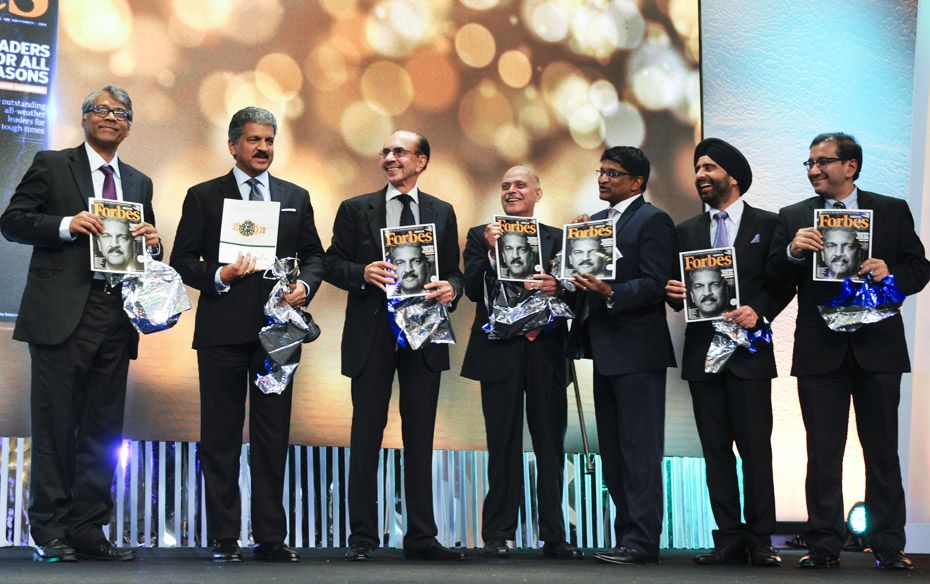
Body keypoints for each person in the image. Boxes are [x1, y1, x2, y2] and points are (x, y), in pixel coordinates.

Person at [0, 85, 160, 562]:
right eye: (102, 110)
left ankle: (89, 529)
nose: (112, 118)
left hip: (115, 317)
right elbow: (13, 221)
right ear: (85, 118)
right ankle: (49, 532)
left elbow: (145, 255)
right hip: (61, 314)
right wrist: (68, 224)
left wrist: (153, 243)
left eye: (122, 113)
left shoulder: (139, 182)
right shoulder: (53, 164)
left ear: (129, 125)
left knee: (103, 431)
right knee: (55, 427)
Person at [170, 107, 324, 563]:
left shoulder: (296, 195)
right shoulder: (203, 196)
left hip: (278, 335)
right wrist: (220, 274)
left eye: (269, 140)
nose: (263, 148)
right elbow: (182, 259)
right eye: (254, 140)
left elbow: (315, 257)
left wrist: (305, 286)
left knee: (273, 437)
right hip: (221, 333)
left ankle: (271, 537)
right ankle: (224, 537)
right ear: (233, 145)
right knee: (219, 437)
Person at [769, 132, 929, 570]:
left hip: (878, 349)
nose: (813, 170)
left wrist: (889, 273)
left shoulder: (891, 210)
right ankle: (823, 543)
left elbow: (920, 268)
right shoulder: (794, 217)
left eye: (822, 162)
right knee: (822, 451)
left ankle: (888, 543)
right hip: (821, 351)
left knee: (882, 452)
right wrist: (791, 251)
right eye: (809, 163)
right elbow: (776, 281)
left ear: (851, 166)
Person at [324, 130, 465, 561]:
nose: (389, 157)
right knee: (366, 434)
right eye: (384, 151)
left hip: (424, 335)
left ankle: (421, 536)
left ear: (421, 161)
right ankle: (362, 537)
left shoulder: (442, 211)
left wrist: (451, 290)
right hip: (372, 334)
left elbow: (455, 274)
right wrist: (360, 273)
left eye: (399, 152)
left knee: (421, 436)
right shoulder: (355, 208)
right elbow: (330, 262)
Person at [665, 137, 789, 568]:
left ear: (732, 177)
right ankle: (728, 538)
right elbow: (677, 292)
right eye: (697, 168)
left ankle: (761, 539)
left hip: (749, 355)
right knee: (715, 451)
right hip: (703, 356)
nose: (701, 175)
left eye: (709, 168)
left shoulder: (770, 224)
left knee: (757, 451)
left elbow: (782, 282)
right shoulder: (685, 231)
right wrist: (672, 291)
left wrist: (762, 311)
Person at [461, 166, 582, 560]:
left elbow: (578, 296)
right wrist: (492, 249)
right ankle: (497, 533)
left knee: (551, 445)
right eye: (505, 186)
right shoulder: (481, 235)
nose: (511, 191)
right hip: (500, 352)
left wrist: (559, 285)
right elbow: (470, 291)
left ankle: (555, 535)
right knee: (502, 445)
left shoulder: (557, 239)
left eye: (520, 185)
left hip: (546, 351)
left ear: (538, 194)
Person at [567, 146, 677, 565]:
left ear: (637, 182)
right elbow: (576, 280)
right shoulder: (593, 224)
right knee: (613, 452)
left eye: (613, 173)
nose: (603, 179)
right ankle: (625, 535)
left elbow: (654, 283)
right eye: (600, 171)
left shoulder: (654, 220)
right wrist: (570, 255)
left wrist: (611, 292)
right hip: (604, 350)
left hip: (639, 352)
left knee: (640, 451)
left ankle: (643, 540)